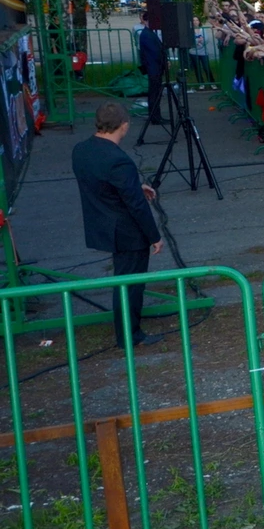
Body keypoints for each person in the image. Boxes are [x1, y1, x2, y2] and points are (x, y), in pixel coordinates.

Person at [73, 102, 164, 347]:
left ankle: (128, 331)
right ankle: (130, 335)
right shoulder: (119, 161)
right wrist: (154, 236)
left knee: (122, 281)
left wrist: (133, 185)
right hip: (127, 232)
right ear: (123, 125)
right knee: (130, 285)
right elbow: (136, 205)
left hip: (102, 224)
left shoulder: (81, 151)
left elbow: (100, 182)